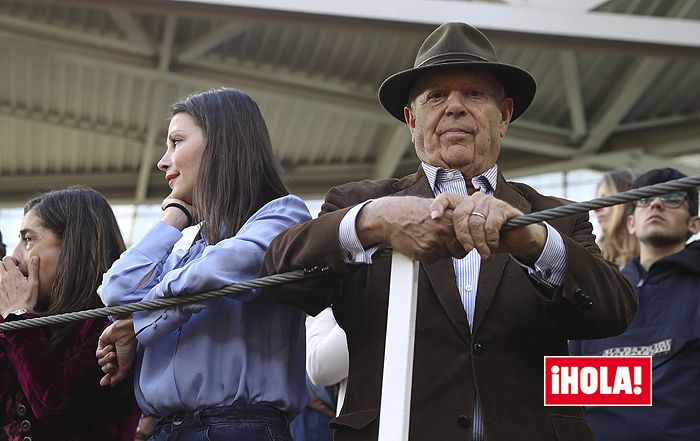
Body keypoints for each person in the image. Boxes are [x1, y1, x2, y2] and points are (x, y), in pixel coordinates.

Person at [261, 22, 637, 441]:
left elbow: (616, 310)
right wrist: (373, 221)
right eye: (435, 96)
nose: (454, 107)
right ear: (411, 119)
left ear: (505, 115)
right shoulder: (357, 202)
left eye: (474, 93)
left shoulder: (555, 216)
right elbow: (280, 275)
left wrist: (536, 243)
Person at [95, 87, 312, 441]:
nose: (163, 161)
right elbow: (116, 290)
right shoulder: (185, 251)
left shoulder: (282, 216)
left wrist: (139, 323)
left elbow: (212, 275)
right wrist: (174, 218)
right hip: (167, 430)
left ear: (221, 146)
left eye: (176, 141)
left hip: (240, 428)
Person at [570, 168, 700, 441]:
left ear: (694, 224)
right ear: (631, 223)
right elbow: (575, 394)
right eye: (645, 199)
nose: (656, 203)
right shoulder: (603, 291)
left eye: (673, 197)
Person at [0, 186, 140, 440]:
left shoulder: (113, 322)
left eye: (28, 239)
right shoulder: (29, 321)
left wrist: (17, 316)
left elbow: (53, 401)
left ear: (73, 246)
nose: (15, 257)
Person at [594, 168, 639, 267]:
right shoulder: (596, 259)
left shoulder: (653, 256)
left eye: (605, 199)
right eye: (596, 201)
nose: (596, 209)